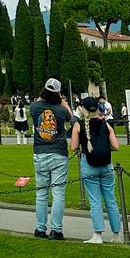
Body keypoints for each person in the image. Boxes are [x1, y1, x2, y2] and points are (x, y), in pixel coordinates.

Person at [70, 96, 122, 243]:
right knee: (111, 199)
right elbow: (116, 146)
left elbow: (73, 147)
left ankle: (98, 234)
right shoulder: (105, 125)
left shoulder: (79, 125)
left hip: (89, 163)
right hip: (106, 165)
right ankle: (117, 234)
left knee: (95, 201)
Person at [30, 77, 73, 241]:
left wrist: (44, 96)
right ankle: (56, 229)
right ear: (58, 94)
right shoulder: (61, 111)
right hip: (58, 153)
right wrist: (64, 103)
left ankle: (40, 228)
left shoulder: (34, 108)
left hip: (40, 152)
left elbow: (39, 101)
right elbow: (72, 118)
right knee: (58, 194)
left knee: (41, 194)